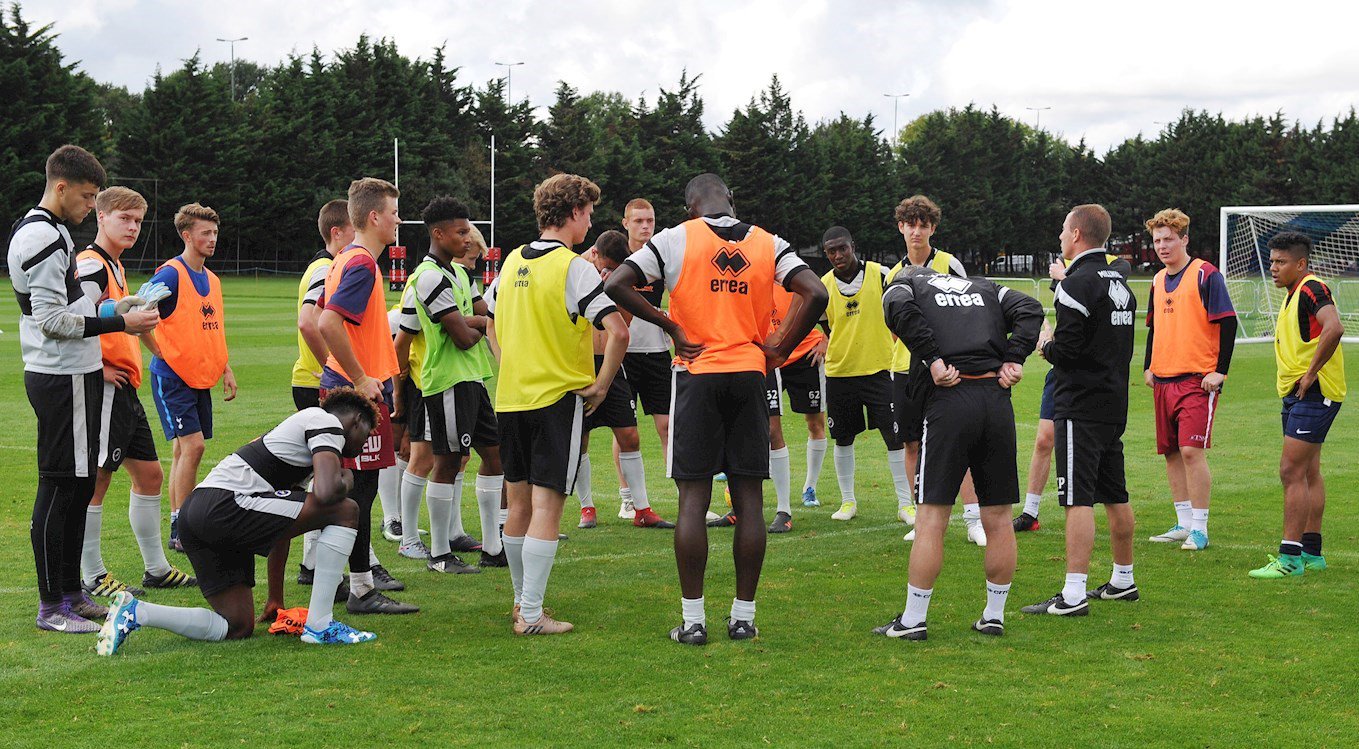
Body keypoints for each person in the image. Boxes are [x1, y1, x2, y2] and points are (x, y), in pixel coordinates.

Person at [605, 173, 827, 645]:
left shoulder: (675, 238)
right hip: (750, 374)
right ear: (730, 199)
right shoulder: (769, 242)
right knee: (750, 500)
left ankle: (693, 622)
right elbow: (817, 293)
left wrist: (671, 326)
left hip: (697, 374)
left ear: (690, 207)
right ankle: (743, 618)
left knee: (693, 499)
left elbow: (618, 283)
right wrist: (779, 348)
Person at [96, 389, 382, 653]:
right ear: (356, 420)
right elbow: (327, 492)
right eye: (367, 435)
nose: (363, 445)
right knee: (346, 510)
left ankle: (138, 612)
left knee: (237, 625)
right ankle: (320, 626)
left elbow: (284, 527)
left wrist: (275, 597)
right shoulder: (325, 421)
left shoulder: (299, 444)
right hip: (224, 505)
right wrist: (348, 477)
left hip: (197, 514)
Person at [9, 145, 160, 633]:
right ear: (61, 187)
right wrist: (118, 324)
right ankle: (52, 607)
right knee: (60, 486)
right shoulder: (42, 236)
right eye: (88, 196)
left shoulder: (52, 231)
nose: (90, 205)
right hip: (61, 376)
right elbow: (52, 321)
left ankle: (71, 594)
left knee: (76, 487)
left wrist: (118, 309)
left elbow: (72, 306)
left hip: (74, 373)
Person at [487, 173, 630, 635]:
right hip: (555, 401)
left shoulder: (511, 260)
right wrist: (602, 385)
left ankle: (521, 602)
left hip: (511, 398)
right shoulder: (574, 267)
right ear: (573, 213)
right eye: (588, 213)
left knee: (518, 505)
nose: (590, 223)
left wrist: (509, 363)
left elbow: (488, 320)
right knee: (548, 507)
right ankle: (531, 614)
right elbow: (618, 331)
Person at [873, 266, 1042, 639]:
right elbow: (1030, 308)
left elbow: (898, 307)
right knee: (999, 518)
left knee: (931, 519)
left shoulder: (905, 285)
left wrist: (932, 359)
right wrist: (1015, 357)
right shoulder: (984, 286)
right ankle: (994, 615)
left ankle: (913, 620)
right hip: (995, 400)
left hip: (950, 398)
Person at [76, 186, 196, 597]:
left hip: (126, 387)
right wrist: (99, 366)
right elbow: (75, 320)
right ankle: (92, 574)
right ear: (101, 217)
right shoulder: (91, 265)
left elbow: (111, 319)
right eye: (124, 218)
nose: (132, 227)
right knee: (98, 479)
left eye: (138, 221)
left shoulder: (114, 266)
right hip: (106, 387)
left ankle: (156, 569)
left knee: (150, 475)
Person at [1023, 204, 1138, 616]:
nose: (1059, 237)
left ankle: (1073, 595)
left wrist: (1045, 344)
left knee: (1077, 499)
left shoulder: (1075, 284)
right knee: (1115, 493)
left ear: (1076, 234)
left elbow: (1068, 352)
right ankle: (1123, 579)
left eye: (1063, 230)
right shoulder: (1119, 281)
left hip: (1080, 406)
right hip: (1113, 403)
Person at [317, 177, 416, 614]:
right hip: (356, 396)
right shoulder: (361, 264)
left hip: (353, 389)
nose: (398, 220)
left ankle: (348, 580)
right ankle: (359, 588)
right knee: (357, 493)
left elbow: (322, 318)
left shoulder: (347, 258)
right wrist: (358, 378)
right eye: (394, 213)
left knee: (354, 490)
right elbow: (327, 323)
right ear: (374, 217)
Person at [399, 196, 505, 572]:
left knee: (495, 456)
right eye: (460, 232)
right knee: (446, 463)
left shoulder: (460, 275)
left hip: (473, 379)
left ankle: (493, 547)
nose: (468, 238)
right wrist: (480, 324)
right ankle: (440, 554)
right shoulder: (428, 276)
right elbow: (463, 336)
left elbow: (485, 315)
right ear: (438, 233)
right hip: (446, 382)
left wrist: (478, 321)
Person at [885, 196, 986, 546]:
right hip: (905, 369)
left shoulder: (949, 264)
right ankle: (922, 520)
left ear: (933, 228)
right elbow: (894, 329)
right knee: (911, 443)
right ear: (901, 227)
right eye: (910, 224)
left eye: (923, 225)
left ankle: (974, 520)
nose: (916, 231)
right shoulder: (893, 275)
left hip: (948, 369)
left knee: (960, 442)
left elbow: (969, 311)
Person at [1014, 251, 1133, 533]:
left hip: (1084, 381)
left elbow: (1112, 277)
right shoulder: (1070, 266)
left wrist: (1064, 278)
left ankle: (1080, 540)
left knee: (1082, 489)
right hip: (1062, 373)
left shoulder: (1109, 263)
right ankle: (1030, 512)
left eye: (1066, 232)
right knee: (1044, 439)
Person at [1249, 232, 1345, 579]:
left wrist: (1311, 373)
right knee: (1307, 472)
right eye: (1272, 261)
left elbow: (1334, 328)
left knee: (1290, 471)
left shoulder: (1311, 288)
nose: (1273, 268)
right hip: (1301, 392)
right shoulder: (1294, 293)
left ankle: (1289, 558)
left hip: (1314, 391)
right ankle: (1311, 553)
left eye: (1281, 262)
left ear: (1301, 263)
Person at [1141, 209, 1237, 550]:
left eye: (1169, 239)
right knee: (1171, 453)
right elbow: (1153, 327)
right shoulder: (1156, 280)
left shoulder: (1205, 274)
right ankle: (1183, 523)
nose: (1162, 246)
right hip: (1163, 378)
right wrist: (1148, 366)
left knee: (1191, 451)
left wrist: (1220, 371)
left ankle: (1200, 527)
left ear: (1184, 239)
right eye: (1157, 240)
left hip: (1197, 380)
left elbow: (1228, 322)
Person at [148, 203, 238, 553]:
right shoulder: (170, 274)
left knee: (182, 450)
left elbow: (212, 330)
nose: (212, 239)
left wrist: (225, 367)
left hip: (199, 376)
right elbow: (138, 310)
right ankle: (184, 527)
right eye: (205, 233)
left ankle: (178, 525)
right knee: (194, 447)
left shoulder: (212, 279)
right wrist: (157, 350)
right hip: (173, 377)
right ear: (187, 235)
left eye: (215, 232)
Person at [576, 230, 674, 529]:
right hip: (579, 365)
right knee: (580, 438)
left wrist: (611, 288)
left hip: (612, 363)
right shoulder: (574, 270)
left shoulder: (619, 279)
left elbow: (625, 322)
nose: (608, 271)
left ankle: (642, 509)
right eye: (606, 266)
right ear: (594, 254)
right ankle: (586, 507)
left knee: (629, 434)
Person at [818, 227, 914, 525]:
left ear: (853, 246)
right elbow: (828, 327)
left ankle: (905, 504)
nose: (838, 255)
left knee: (894, 438)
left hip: (880, 370)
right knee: (843, 438)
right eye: (831, 251)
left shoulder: (881, 274)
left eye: (842, 248)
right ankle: (848, 501)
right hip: (840, 372)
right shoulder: (823, 286)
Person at [749, 282, 829, 533]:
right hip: (768, 356)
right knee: (763, 428)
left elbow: (824, 303)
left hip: (804, 354)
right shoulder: (752, 275)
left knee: (814, 422)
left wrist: (826, 338)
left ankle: (809, 487)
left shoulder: (792, 274)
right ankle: (746, 496)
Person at [612, 198, 671, 520]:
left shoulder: (662, 259)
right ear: (625, 223)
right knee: (624, 430)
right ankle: (628, 499)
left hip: (657, 353)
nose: (645, 226)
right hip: (622, 355)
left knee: (668, 426)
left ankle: (688, 496)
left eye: (650, 220)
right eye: (638, 221)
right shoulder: (615, 258)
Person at [294, 200, 354, 411]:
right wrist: (332, 370)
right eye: (355, 229)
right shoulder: (325, 269)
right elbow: (307, 322)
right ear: (336, 233)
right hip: (316, 381)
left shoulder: (323, 266)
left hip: (313, 380)